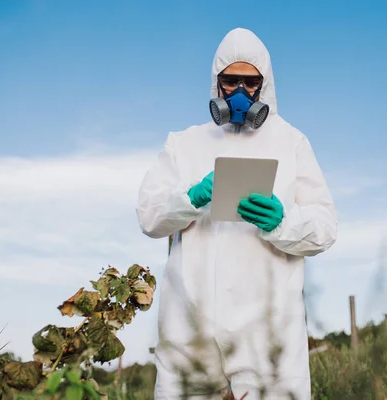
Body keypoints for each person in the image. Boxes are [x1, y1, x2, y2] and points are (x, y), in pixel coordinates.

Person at [136, 27, 337, 400]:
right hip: (188, 329)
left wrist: (284, 223)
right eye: (231, 81)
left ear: (265, 84)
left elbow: (325, 227)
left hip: (268, 331)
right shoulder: (184, 143)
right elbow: (149, 216)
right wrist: (189, 199)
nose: (241, 92)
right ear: (217, 83)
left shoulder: (292, 142)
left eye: (250, 81)